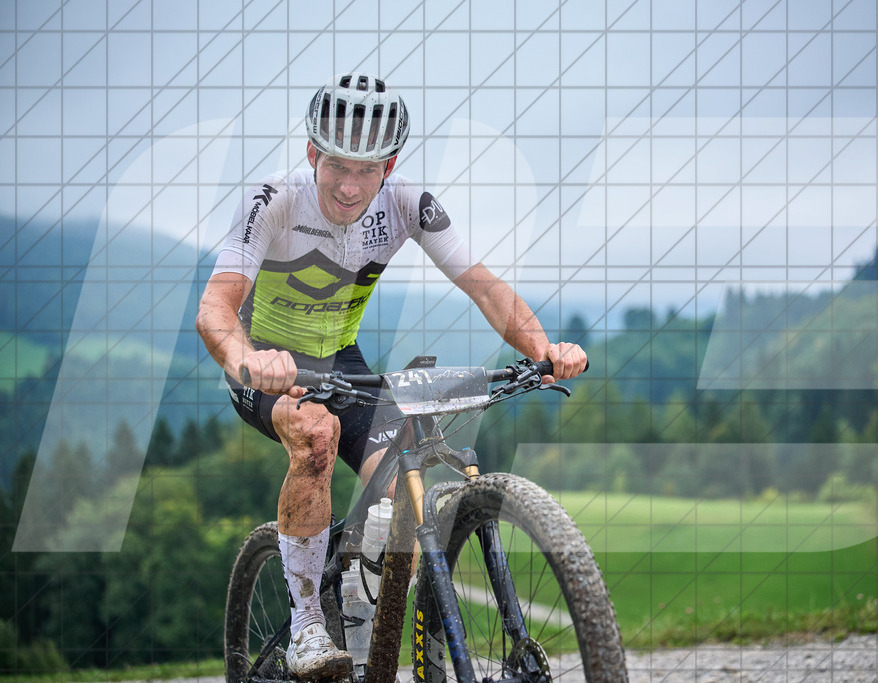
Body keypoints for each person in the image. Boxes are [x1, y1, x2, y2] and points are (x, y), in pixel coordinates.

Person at [195, 72, 587, 678]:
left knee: (403, 489)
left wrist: (542, 349)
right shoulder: (273, 198)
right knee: (317, 436)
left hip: (341, 359)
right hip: (267, 362)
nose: (351, 186)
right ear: (312, 155)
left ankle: (356, 607)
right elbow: (215, 307)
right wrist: (246, 357)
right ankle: (304, 628)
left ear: (390, 165)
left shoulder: (409, 203)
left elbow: (483, 287)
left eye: (368, 169)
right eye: (338, 167)